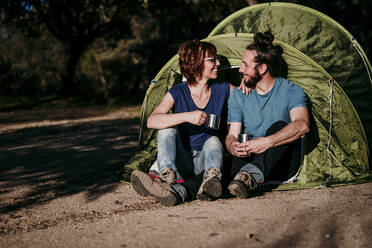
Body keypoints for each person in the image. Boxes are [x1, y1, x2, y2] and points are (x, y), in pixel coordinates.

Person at [130, 40, 248, 206]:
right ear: (197, 63)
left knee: (213, 141)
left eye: (216, 59)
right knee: (166, 129)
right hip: (182, 159)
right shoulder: (178, 91)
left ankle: (211, 180)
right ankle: (167, 177)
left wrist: (246, 81)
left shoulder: (222, 88)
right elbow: (151, 121)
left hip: (205, 160)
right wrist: (187, 116)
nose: (218, 63)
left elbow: (248, 101)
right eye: (212, 60)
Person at [225, 30, 310, 198]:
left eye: (245, 65)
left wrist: (267, 142)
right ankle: (182, 190)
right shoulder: (238, 95)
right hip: (248, 158)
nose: (240, 69)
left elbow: (302, 125)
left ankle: (249, 176)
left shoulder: (290, 90)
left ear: (262, 68)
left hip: (281, 162)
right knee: (222, 166)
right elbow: (231, 135)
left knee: (280, 126)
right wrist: (234, 147)